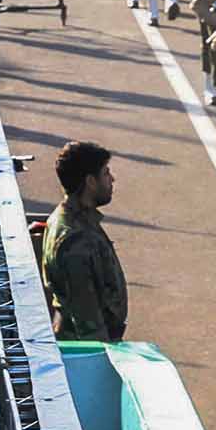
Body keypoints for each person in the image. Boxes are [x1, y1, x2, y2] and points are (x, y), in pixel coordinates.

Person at [42, 140, 127, 341]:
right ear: (90, 181)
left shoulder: (74, 219)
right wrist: (102, 358)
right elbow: (87, 320)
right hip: (85, 348)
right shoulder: (76, 241)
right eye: (105, 173)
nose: (112, 179)